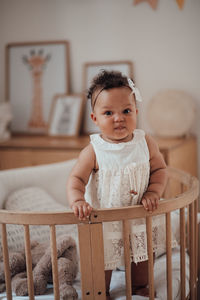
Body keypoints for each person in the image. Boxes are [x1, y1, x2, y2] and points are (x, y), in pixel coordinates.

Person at [66, 70, 168, 298]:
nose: (119, 118)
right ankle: (102, 292)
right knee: (100, 278)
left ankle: (139, 290)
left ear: (136, 112)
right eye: (108, 112)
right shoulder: (94, 150)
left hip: (139, 219)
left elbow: (160, 169)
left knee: (142, 271)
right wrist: (78, 200)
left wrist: (153, 191)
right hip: (104, 224)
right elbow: (76, 179)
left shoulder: (145, 142)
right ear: (95, 118)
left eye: (126, 111)